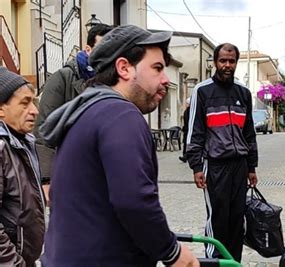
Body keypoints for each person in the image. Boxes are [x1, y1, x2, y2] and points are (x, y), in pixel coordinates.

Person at [38, 25, 199, 267]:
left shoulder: (86, 110)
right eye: (157, 68)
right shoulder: (121, 115)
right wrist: (172, 252)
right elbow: (134, 200)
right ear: (124, 68)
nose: (165, 79)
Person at [186, 43, 258, 262]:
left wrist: (251, 167)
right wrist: (197, 166)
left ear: (236, 63)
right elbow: (194, 131)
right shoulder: (202, 91)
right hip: (214, 166)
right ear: (215, 62)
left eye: (232, 61)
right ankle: (214, 263)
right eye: (223, 61)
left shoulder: (243, 94)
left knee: (237, 220)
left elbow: (249, 132)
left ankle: (233, 263)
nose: (227, 65)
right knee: (217, 218)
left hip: (240, 166)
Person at [34, 23, 113, 196]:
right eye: (102, 48)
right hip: (69, 170)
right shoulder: (63, 78)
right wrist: (46, 179)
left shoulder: (112, 82)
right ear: (88, 49)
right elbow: (44, 128)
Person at [0, 67, 45, 267]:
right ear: (1, 109)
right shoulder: (2, 148)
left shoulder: (23, 142)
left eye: (34, 102)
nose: (34, 111)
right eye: (25, 103)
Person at [179, 97, 190, 163]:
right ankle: (185, 156)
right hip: (186, 130)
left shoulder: (189, 111)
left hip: (189, 130)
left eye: (187, 103)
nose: (186, 104)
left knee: (188, 144)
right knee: (185, 143)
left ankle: (185, 156)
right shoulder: (187, 111)